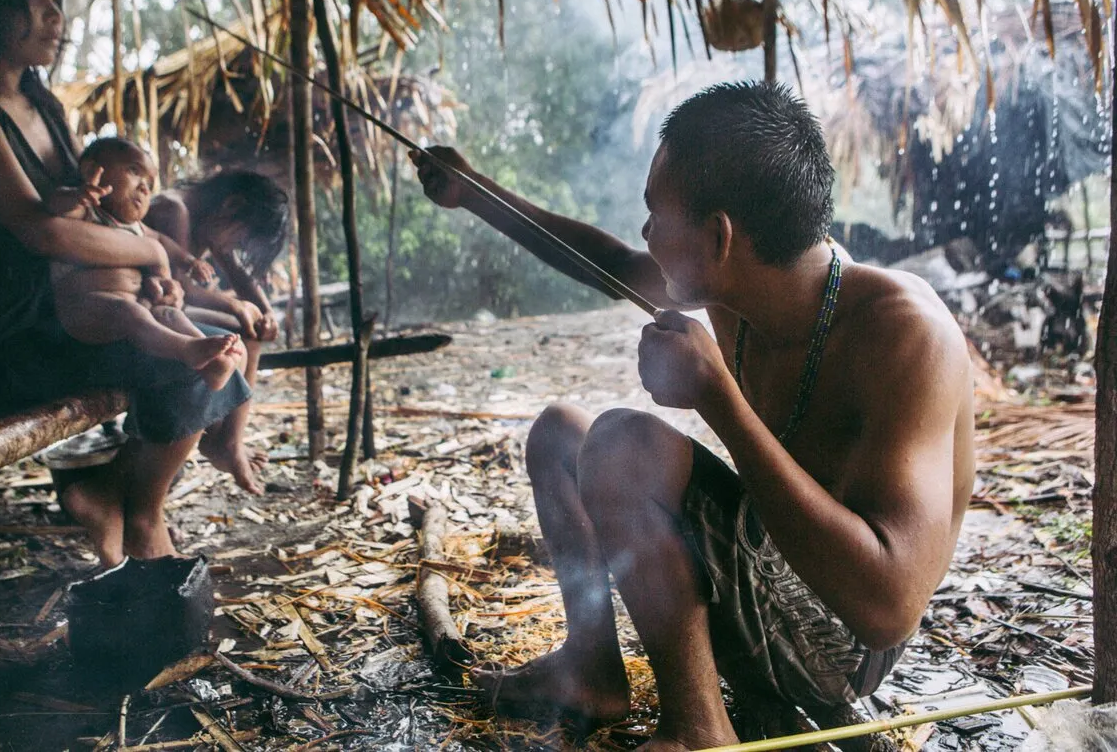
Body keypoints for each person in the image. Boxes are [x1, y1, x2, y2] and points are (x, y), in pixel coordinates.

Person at [411, 81, 974, 750]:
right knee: (562, 432)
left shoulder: (905, 335)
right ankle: (593, 670)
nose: (646, 234)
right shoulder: (737, 283)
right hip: (765, 568)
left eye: (656, 214)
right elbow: (610, 262)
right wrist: (474, 191)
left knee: (622, 444)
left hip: (839, 646)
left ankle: (700, 731)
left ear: (718, 236)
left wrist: (720, 401)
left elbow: (886, 611)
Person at [0, 0, 259, 567]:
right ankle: (139, 512)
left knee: (222, 340)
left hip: (67, 307)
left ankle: (115, 493)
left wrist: (156, 281)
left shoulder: (41, 104)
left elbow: (88, 222)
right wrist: (150, 255)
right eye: (33, 0)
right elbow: (41, 231)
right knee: (180, 360)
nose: (54, 16)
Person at [48, 137, 242, 391]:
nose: (144, 188)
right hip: (85, 311)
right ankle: (188, 350)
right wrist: (77, 196)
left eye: (150, 184)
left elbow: (162, 240)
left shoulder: (136, 227)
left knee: (169, 314)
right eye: (134, 171)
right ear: (89, 170)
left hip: (133, 308)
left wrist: (188, 260)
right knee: (131, 313)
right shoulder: (87, 212)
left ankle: (212, 360)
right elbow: (53, 208)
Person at [145, 169, 290, 493]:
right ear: (231, 205)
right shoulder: (175, 210)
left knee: (250, 330)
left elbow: (239, 275)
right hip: (154, 315)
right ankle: (225, 442)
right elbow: (181, 287)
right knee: (241, 330)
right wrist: (234, 306)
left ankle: (228, 441)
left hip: (172, 313)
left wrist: (266, 311)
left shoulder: (209, 224)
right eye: (240, 237)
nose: (235, 245)